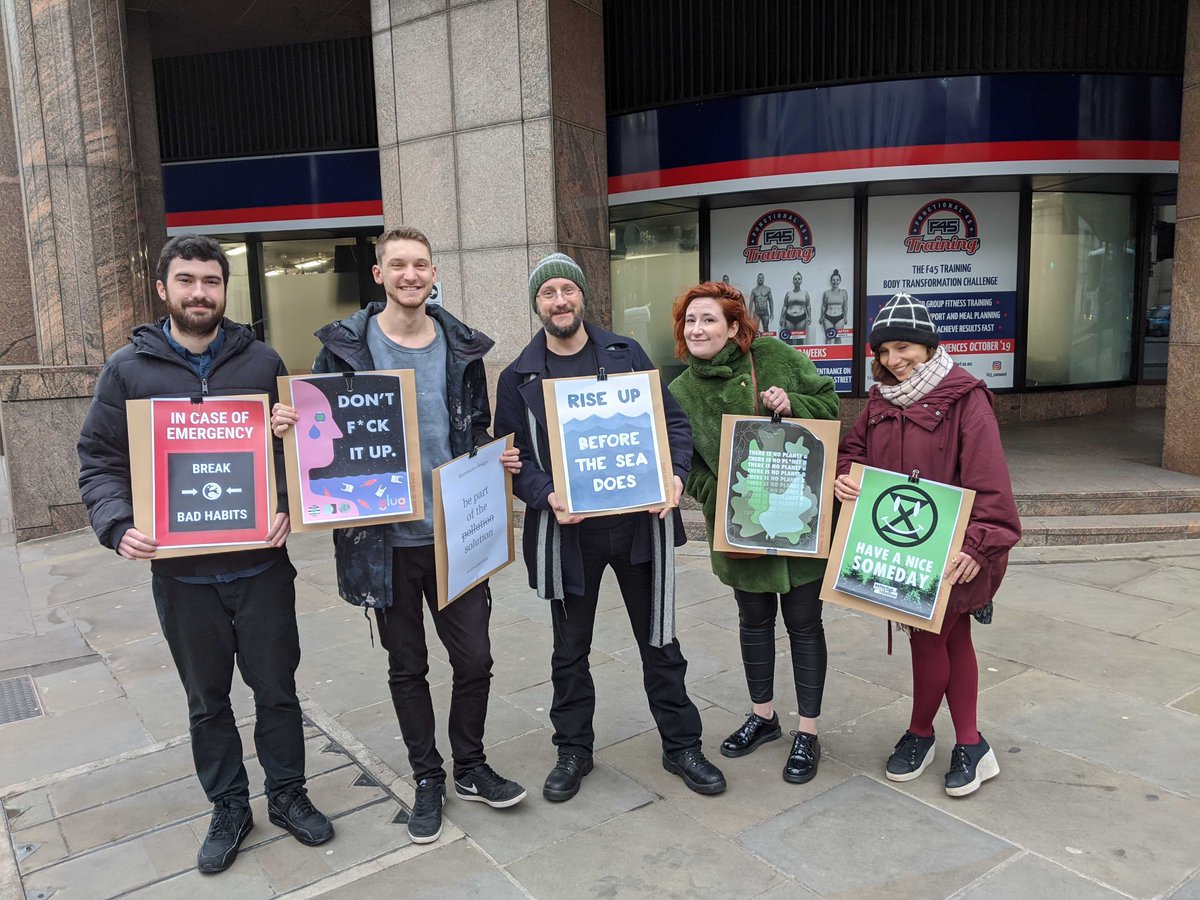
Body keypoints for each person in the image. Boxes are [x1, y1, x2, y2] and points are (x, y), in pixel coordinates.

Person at [78, 235, 333, 875]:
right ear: (163, 289)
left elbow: (298, 456)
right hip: (184, 577)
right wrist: (117, 525)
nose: (200, 293)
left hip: (261, 568)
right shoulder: (127, 371)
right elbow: (99, 463)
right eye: (187, 281)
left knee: (277, 690)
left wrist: (285, 496)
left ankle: (287, 793)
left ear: (225, 290)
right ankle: (228, 805)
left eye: (211, 282)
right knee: (206, 699)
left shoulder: (263, 361)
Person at [270, 226, 525, 845]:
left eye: (422, 264)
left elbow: (474, 429)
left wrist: (497, 458)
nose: (412, 274)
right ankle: (428, 777)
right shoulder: (345, 349)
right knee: (406, 666)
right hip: (381, 545)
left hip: (455, 535)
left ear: (433, 272)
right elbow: (322, 430)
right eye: (399, 265)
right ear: (379, 275)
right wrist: (288, 422)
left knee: (476, 659)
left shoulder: (461, 348)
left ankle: (469, 764)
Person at [494, 253, 726, 802]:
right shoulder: (519, 375)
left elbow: (671, 422)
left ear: (582, 297)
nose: (559, 301)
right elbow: (512, 456)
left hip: (637, 530)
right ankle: (573, 749)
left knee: (661, 641)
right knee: (569, 651)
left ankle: (682, 745)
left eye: (566, 291)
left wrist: (672, 474)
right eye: (548, 293)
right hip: (568, 537)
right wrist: (544, 493)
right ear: (538, 304)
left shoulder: (625, 354)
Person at [834, 292, 1020, 797]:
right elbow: (853, 450)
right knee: (947, 639)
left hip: (954, 551)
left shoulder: (966, 398)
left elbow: (990, 480)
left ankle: (924, 733)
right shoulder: (879, 402)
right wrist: (845, 475)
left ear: (926, 345)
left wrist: (979, 547)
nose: (893, 361)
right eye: (884, 352)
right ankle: (969, 744)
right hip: (901, 546)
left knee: (934, 639)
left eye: (903, 348)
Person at [667, 281, 839, 784]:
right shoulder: (679, 391)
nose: (698, 329)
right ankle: (762, 717)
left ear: (734, 326)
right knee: (754, 621)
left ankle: (808, 731)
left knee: (805, 624)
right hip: (740, 528)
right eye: (690, 322)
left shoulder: (773, 356)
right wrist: (724, 490)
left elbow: (830, 410)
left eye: (708, 320)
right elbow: (688, 465)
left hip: (801, 519)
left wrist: (794, 406)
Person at [819, 269, 849, 343]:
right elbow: (824, 306)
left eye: (837, 280)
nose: (835, 282)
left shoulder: (844, 292)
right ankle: (829, 354)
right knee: (828, 337)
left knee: (838, 338)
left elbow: (845, 305)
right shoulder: (826, 293)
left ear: (840, 281)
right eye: (833, 280)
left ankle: (839, 354)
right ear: (831, 281)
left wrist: (845, 317)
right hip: (828, 318)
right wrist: (821, 317)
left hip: (840, 318)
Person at [780, 272, 812, 339]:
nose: (797, 280)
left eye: (799, 279)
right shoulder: (788, 293)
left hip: (801, 318)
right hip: (789, 318)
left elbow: (808, 305)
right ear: (793, 281)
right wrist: (781, 318)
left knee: (799, 339)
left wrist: (809, 317)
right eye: (795, 279)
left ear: (801, 281)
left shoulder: (805, 293)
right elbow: (785, 306)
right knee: (788, 339)